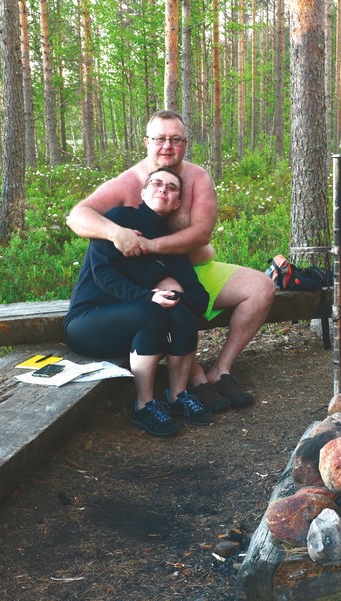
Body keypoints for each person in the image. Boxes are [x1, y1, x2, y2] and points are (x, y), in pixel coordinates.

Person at [66, 110, 275, 412]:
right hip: (148, 277)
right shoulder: (128, 182)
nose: (167, 146)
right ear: (146, 142)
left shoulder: (197, 177)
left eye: (175, 140)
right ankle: (195, 379)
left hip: (190, 265)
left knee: (262, 288)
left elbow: (202, 233)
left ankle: (221, 370)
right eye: (160, 139)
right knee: (169, 292)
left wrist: (151, 246)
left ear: (185, 144)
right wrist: (115, 233)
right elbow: (77, 216)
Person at [64, 168, 212, 437]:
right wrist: (148, 296)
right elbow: (103, 276)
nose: (163, 189)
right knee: (151, 312)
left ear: (177, 203)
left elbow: (199, 297)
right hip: (89, 322)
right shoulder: (119, 220)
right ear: (143, 193)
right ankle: (144, 405)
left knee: (181, 313)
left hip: (137, 330)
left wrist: (174, 297)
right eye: (156, 183)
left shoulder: (171, 246)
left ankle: (178, 396)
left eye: (172, 187)